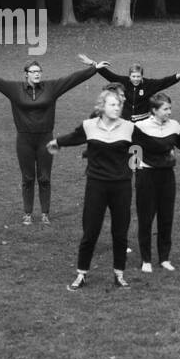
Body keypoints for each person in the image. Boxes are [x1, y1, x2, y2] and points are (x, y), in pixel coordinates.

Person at [0, 56, 98, 224]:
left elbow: (72, 79)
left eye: (39, 71)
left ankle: (45, 213)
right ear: (26, 74)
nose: (37, 74)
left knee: (44, 177)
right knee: (28, 178)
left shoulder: (51, 88)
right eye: (33, 72)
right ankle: (28, 214)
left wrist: (94, 68)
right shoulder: (15, 89)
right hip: (24, 140)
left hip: (45, 138)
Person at [48, 88, 136, 289]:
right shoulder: (89, 126)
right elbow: (74, 136)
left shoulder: (129, 127)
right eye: (113, 104)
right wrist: (57, 142)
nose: (117, 108)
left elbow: (142, 145)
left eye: (119, 105)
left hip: (121, 186)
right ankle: (81, 273)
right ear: (102, 107)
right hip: (96, 185)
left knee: (120, 232)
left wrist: (136, 165)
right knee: (90, 231)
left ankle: (119, 274)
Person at [133, 92, 180, 273]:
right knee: (146, 219)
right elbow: (131, 148)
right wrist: (136, 170)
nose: (169, 112)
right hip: (146, 176)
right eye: (165, 109)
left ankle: (164, 258)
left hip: (167, 177)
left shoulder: (174, 126)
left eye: (170, 108)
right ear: (154, 111)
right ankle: (146, 259)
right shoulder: (140, 127)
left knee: (166, 218)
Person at [79, 55, 180, 123]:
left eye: (138, 76)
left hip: (143, 121)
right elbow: (108, 74)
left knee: (141, 145)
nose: (136, 79)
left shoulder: (149, 84)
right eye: (133, 76)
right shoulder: (123, 82)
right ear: (129, 76)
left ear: (142, 76)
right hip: (125, 119)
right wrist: (93, 64)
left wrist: (178, 76)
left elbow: (163, 82)